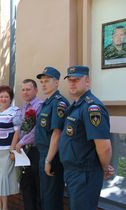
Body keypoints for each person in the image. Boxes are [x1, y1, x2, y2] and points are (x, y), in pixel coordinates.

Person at [59, 65, 115, 210]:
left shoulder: (92, 108)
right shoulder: (76, 106)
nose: (72, 83)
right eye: (69, 80)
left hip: (85, 175)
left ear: (87, 81)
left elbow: (104, 146)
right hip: (74, 173)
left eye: (76, 79)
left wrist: (103, 167)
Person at [35, 67, 69, 210]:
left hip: (52, 155)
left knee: (51, 198)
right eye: (42, 81)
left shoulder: (58, 103)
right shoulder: (47, 102)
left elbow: (57, 133)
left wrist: (48, 160)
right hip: (44, 153)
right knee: (46, 195)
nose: (43, 84)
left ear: (56, 83)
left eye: (47, 81)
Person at [0, 85, 21, 210]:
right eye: (1, 96)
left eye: (6, 96)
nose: (3, 99)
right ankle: (0, 205)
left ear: (10, 98)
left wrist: (12, 150)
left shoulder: (15, 111)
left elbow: (17, 132)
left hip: (6, 151)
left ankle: (4, 207)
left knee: (3, 180)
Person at [15, 79, 42, 210]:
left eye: (28, 89)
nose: (25, 92)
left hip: (35, 152)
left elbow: (36, 130)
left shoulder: (40, 106)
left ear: (36, 90)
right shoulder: (24, 107)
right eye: (23, 89)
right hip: (23, 151)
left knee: (37, 187)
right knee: (26, 186)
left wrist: (20, 142)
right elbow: (20, 129)